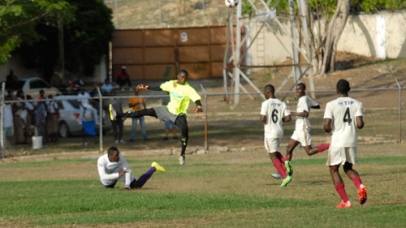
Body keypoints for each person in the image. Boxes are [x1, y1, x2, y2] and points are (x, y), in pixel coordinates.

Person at [110, 69, 203, 165]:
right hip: (167, 110)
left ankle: (182, 154)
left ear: (186, 78)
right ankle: (118, 115)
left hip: (179, 114)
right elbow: (159, 87)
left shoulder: (188, 88)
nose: (182, 79)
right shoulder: (172, 84)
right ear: (178, 76)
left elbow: (196, 98)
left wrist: (199, 106)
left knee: (185, 128)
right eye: (181, 77)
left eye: (184, 77)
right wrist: (145, 87)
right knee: (145, 111)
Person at [323, 79, 367, 208]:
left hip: (338, 140)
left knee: (333, 169)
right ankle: (360, 186)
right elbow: (359, 124)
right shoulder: (357, 103)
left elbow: (327, 125)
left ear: (337, 90)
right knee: (348, 168)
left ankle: (346, 201)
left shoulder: (331, 104)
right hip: (351, 140)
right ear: (349, 89)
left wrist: (326, 129)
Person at [283, 83, 330, 180]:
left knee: (309, 151)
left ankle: (330, 145)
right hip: (298, 127)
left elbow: (306, 114)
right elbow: (317, 106)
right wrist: (309, 104)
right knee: (288, 149)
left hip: (302, 126)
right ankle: (286, 172)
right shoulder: (306, 98)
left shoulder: (303, 99)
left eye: (300, 89)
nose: (297, 91)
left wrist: (291, 113)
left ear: (304, 89)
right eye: (296, 89)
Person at [260, 84, 292, 187]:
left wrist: (264, 119)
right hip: (279, 131)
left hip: (270, 132)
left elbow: (262, 118)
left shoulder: (266, 103)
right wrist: (280, 120)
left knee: (272, 155)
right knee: (274, 151)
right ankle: (285, 161)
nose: (264, 95)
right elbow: (288, 118)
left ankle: (284, 176)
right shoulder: (281, 103)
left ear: (268, 92)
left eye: (264, 93)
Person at [97, 146, 166, 189]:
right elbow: (103, 176)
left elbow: (127, 170)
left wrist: (127, 186)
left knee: (137, 186)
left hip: (120, 171)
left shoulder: (121, 157)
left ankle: (153, 168)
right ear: (110, 156)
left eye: (118, 154)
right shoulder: (102, 160)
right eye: (116, 155)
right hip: (110, 178)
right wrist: (118, 175)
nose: (118, 156)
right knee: (109, 189)